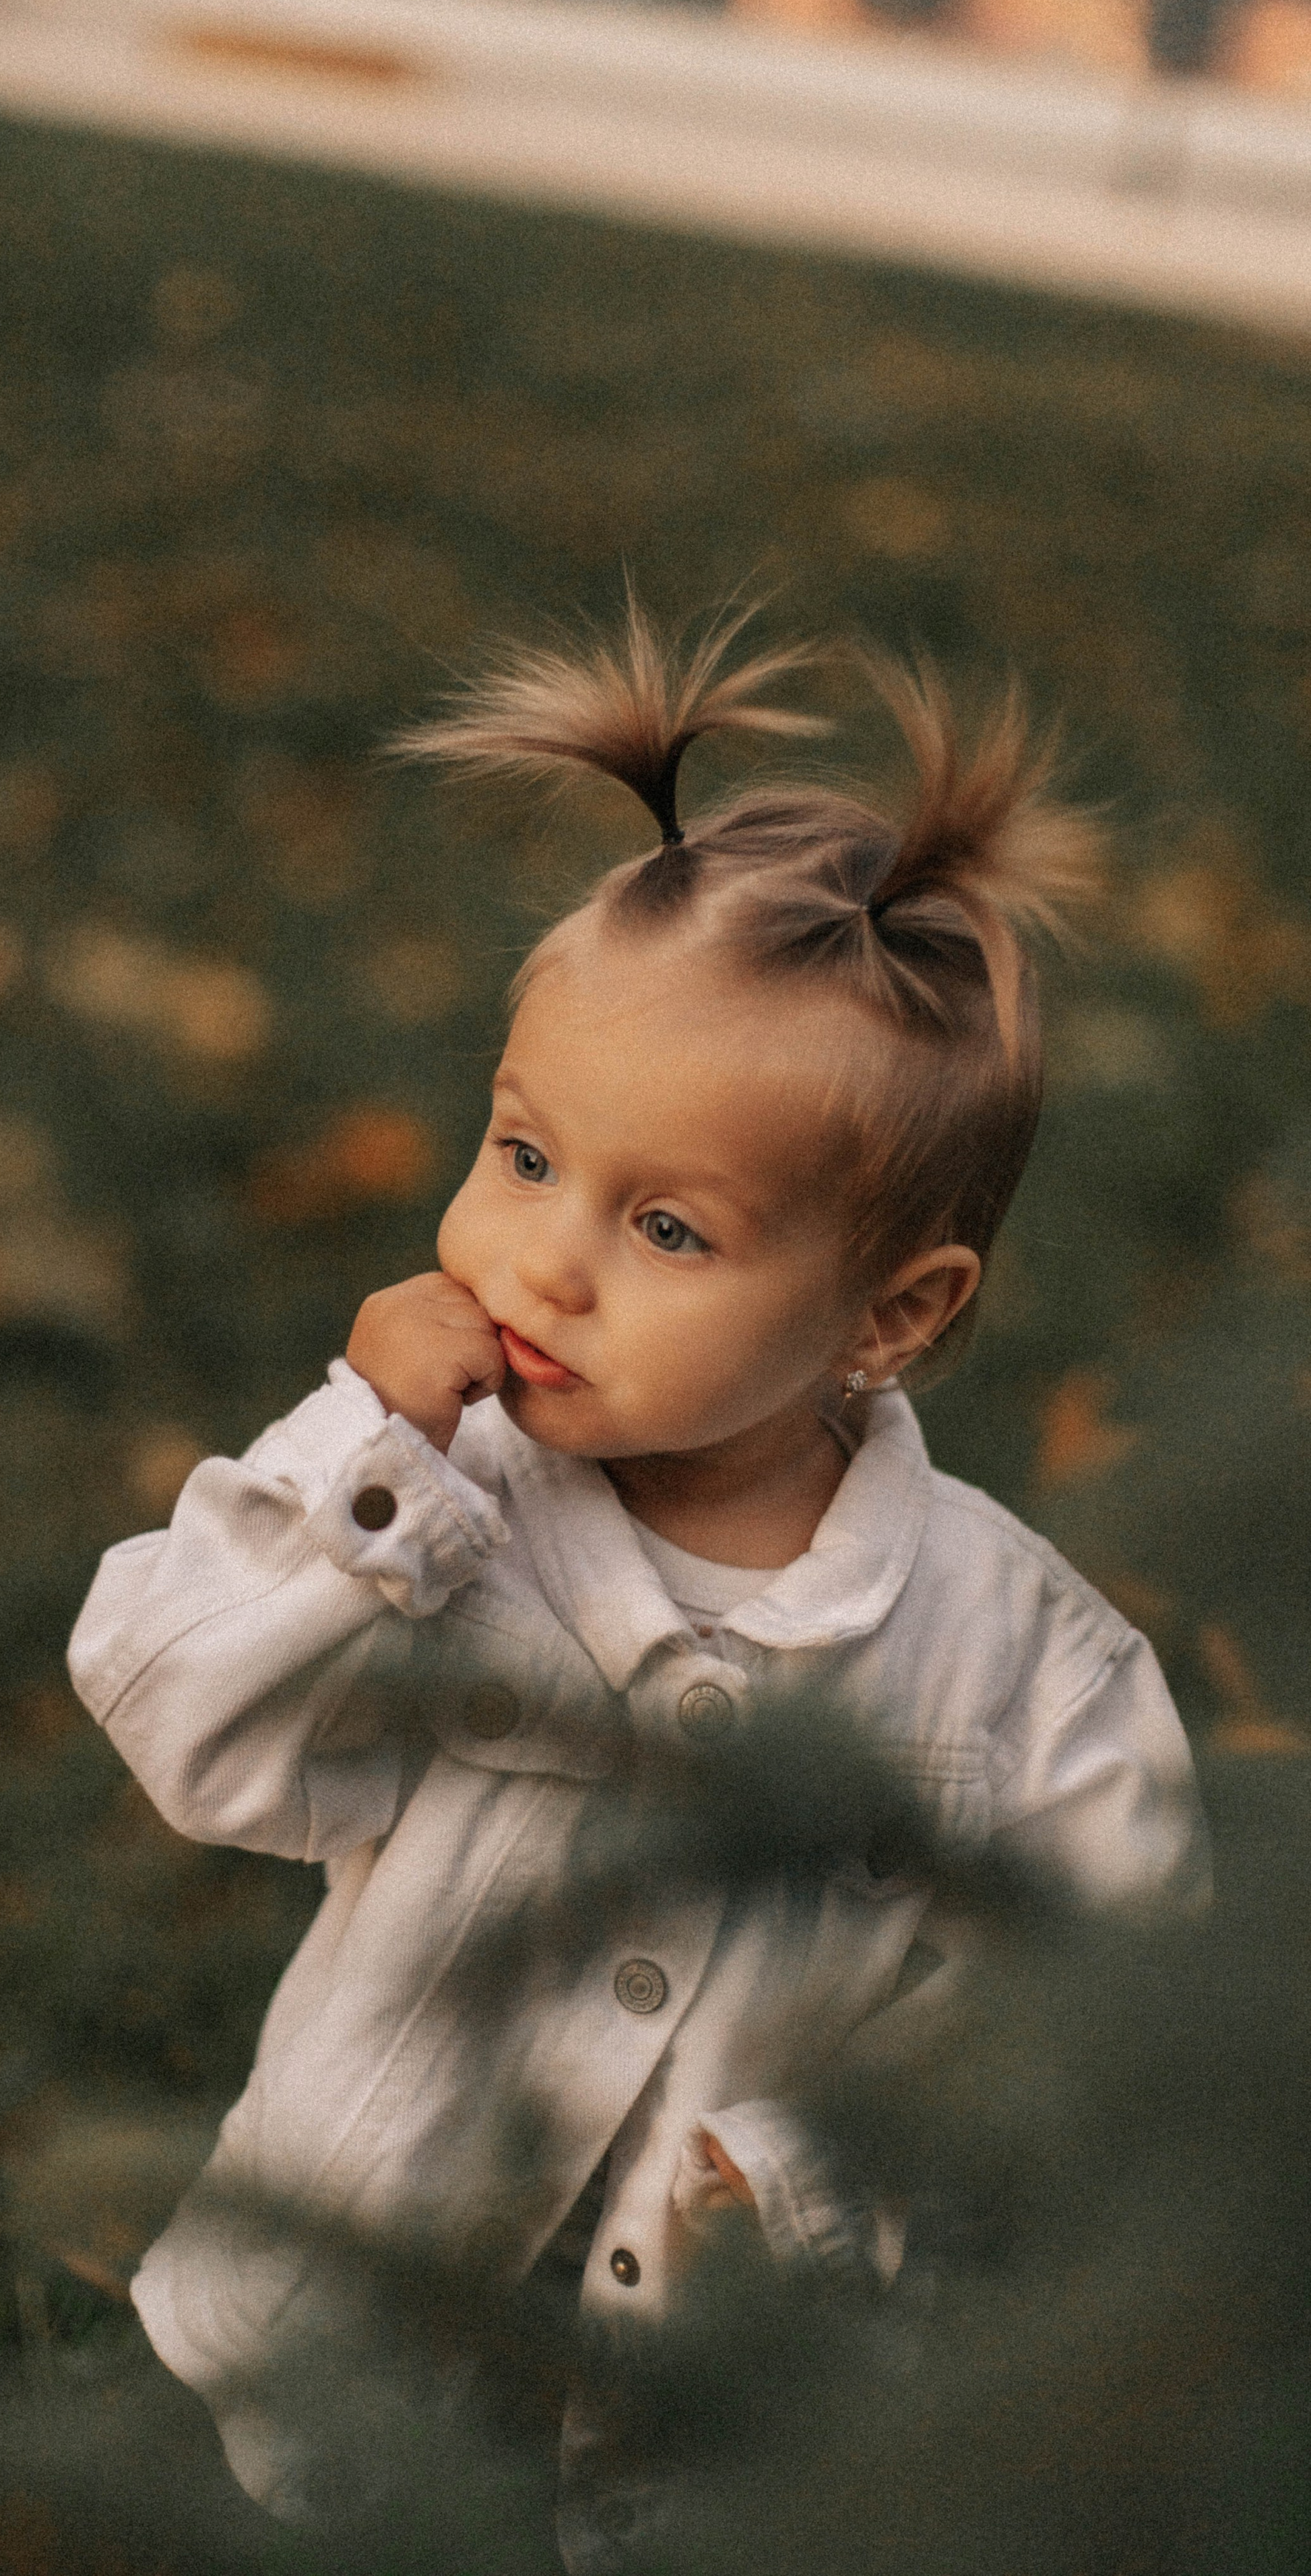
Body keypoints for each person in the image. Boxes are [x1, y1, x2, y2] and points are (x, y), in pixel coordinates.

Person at [68, 599, 1207, 2565]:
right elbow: (183, 1724)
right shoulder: (430, 1504)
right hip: (343, 2361)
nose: (544, 1261)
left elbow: (1111, 2042)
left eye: (668, 1228)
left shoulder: (1026, 1671)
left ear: (892, 1314)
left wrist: (840, 2180)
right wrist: (356, 1467)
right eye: (523, 1155)